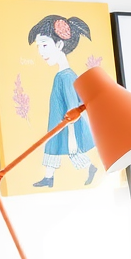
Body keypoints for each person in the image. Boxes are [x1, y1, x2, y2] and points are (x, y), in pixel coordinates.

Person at [26, 14, 98, 188]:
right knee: (53, 146)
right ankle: (49, 177)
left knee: (71, 149)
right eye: (38, 47)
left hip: (66, 124)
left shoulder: (66, 76)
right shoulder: (61, 75)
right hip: (57, 122)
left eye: (44, 45)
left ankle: (90, 167)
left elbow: (74, 107)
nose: (41, 52)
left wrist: (71, 131)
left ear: (59, 45)